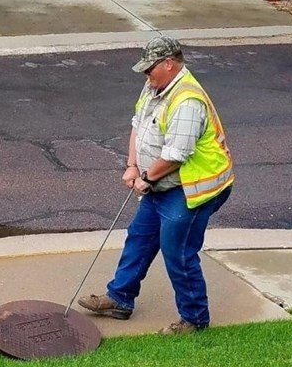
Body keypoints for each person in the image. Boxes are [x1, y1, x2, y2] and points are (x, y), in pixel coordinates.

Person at [78, 36, 234, 335]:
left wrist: (146, 178)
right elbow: (139, 125)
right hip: (161, 182)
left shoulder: (187, 100)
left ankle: (194, 320)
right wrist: (132, 166)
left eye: (151, 68)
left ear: (169, 64)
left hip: (192, 188)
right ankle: (119, 299)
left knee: (178, 251)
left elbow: (176, 156)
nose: (146, 74)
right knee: (140, 236)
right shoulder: (155, 86)